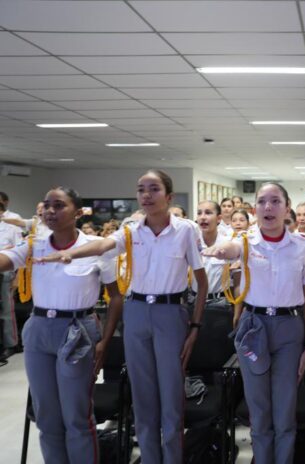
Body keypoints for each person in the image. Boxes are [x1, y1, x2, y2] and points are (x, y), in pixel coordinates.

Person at [38, 170, 208, 463]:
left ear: (168, 197)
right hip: (137, 312)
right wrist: (71, 254)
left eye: (153, 189)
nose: (146, 195)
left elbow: (202, 282)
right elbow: (103, 245)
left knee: (170, 394)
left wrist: (194, 326)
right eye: (141, 189)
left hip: (171, 313)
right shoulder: (130, 230)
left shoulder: (186, 230)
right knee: (142, 394)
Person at [0, 186, 124, 463]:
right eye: (46, 205)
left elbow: (115, 297)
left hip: (77, 330)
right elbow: (5, 261)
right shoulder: (35, 244)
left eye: (59, 205)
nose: (50, 211)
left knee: (77, 415)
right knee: (46, 414)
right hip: (39, 329)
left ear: (78, 213)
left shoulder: (94, 247)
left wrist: (104, 339)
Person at [203, 182, 305, 464]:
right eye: (262, 201)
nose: (268, 207)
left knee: (284, 410)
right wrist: (220, 251)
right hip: (253, 326)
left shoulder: (303, 248)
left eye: (275, 201)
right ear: (255, 209)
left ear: (287, 207)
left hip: (289, 328)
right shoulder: (245, 242)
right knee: (259, 409)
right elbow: (230, 248)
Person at [194, 201, 233, 310]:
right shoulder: (192, 242)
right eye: (199, 213)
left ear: (219, 218)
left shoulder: (228, 244)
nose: (202, 217)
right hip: (193, 301)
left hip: (219, 304)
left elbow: (237, 280)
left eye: (208, 213)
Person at [0, 204, 22, 360]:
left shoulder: (11, 227)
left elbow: (21, 251)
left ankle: (11, 344)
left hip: (6, 273)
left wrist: (18, 276)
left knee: (6, 310)